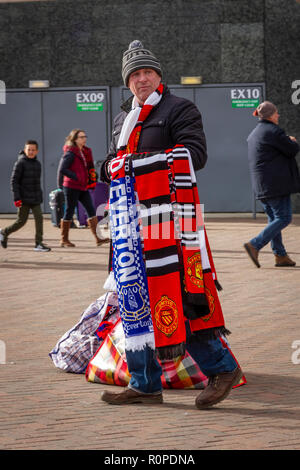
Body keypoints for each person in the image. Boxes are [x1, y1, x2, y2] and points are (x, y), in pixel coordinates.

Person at [99, 40, 242, 410]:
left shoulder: (179, 109)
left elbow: (194, 155)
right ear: (127, 82)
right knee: (135, 302)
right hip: (130, 225)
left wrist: (135, 165)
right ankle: (145, 383)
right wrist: (109, 168)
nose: (142, 79)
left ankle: (222, 369)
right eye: (135, 74)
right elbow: (112, 162)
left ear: (158, 76)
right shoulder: (122, 118)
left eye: (148, 72)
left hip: (169, 220)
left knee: (176, 295)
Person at [244, 101, 300, 268]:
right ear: (270, 115)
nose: (278, 116)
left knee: (273, 219)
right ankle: (255, 244)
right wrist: (292, 140)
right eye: (276, 113)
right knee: (284, 218)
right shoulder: (273, 131)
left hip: (262, 185)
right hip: (275, 184)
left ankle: (280, 255)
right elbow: (291, 149)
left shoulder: (254, 133)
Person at [59, 129, 107, 247]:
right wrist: (77, 176)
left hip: (83, 186)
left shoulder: (85, 152)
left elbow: (87, 168)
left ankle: (98, 238)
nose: (84, 139)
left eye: (85, 136)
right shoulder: (70, 153)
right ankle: (64, 239)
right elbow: (63, 169)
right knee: (69, 211)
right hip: (71, 186)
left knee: (91, 209)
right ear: (74, 139)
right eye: (81, 137)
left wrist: (91, 177)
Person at [0, 140, 51, 252]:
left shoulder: (38, 164)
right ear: (25, 150)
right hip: (23, 199)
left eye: (33, 150)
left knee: (39, 218)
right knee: (21, 221)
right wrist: (16, 198)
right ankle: (4, 232)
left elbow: (36, 182)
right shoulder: (20, 163)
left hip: (35, 198)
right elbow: (14, 181)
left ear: (37, 151)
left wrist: (39, 196)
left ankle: (38, 243)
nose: (31, 152)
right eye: (29, 150)